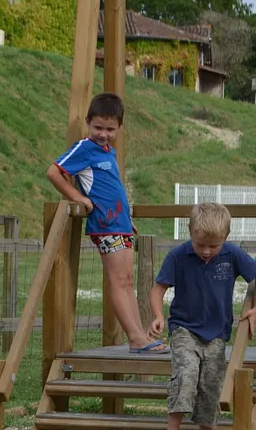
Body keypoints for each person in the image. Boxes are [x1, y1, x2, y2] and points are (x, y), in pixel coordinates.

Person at [46, 92, 167, 353]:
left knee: (127, 280)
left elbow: (112, 189)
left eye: (110, 129)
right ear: (88, 122)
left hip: (120, 224)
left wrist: (126, 219)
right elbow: (54, 172)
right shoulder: (84, 148)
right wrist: (78, 197)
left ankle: (141, 335)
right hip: (105, 225)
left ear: (120, 127)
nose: (103, 134)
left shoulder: (108, 152)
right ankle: (135, 337)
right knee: (117, 280)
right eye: (98, 127)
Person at [149, 202, 256, 430]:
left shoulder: (231, 254)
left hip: (217, 334)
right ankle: (173, 426)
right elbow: (158, 289)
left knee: (211, 385)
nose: (206, 251)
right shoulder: (177, 256)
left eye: (213, 246)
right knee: (186, 373)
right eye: (200, 244)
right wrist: (158, 316)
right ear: (190, 231)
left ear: (226, 237)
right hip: (184, 328)